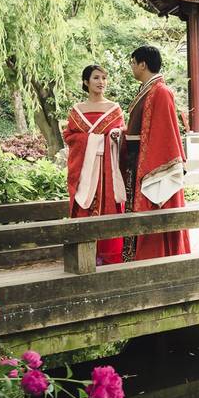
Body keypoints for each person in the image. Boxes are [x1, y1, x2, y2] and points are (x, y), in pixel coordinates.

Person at [121, 45, 191, 261]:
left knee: (152, 211)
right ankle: (136, 258)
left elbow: (165, 134)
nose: (132, 67)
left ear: (143, 64)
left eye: (133, 62)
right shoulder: (148, 90)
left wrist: (152, 166)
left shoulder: (161, 92)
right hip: (137, 162)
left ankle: (154, 258)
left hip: (150, 163)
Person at [63, 65, 126, 265]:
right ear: (86, 82)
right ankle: (83, 255)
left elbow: (122, 134)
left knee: (110, 207)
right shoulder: (77, 111)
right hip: (84, 170)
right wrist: (94, 140)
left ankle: (110, 255)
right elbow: (70, 137)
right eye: (96, 78)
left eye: (104, 78)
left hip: (107, 169)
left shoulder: (114, 109)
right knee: (84, 206)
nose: (101, 82)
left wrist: (115, 136)